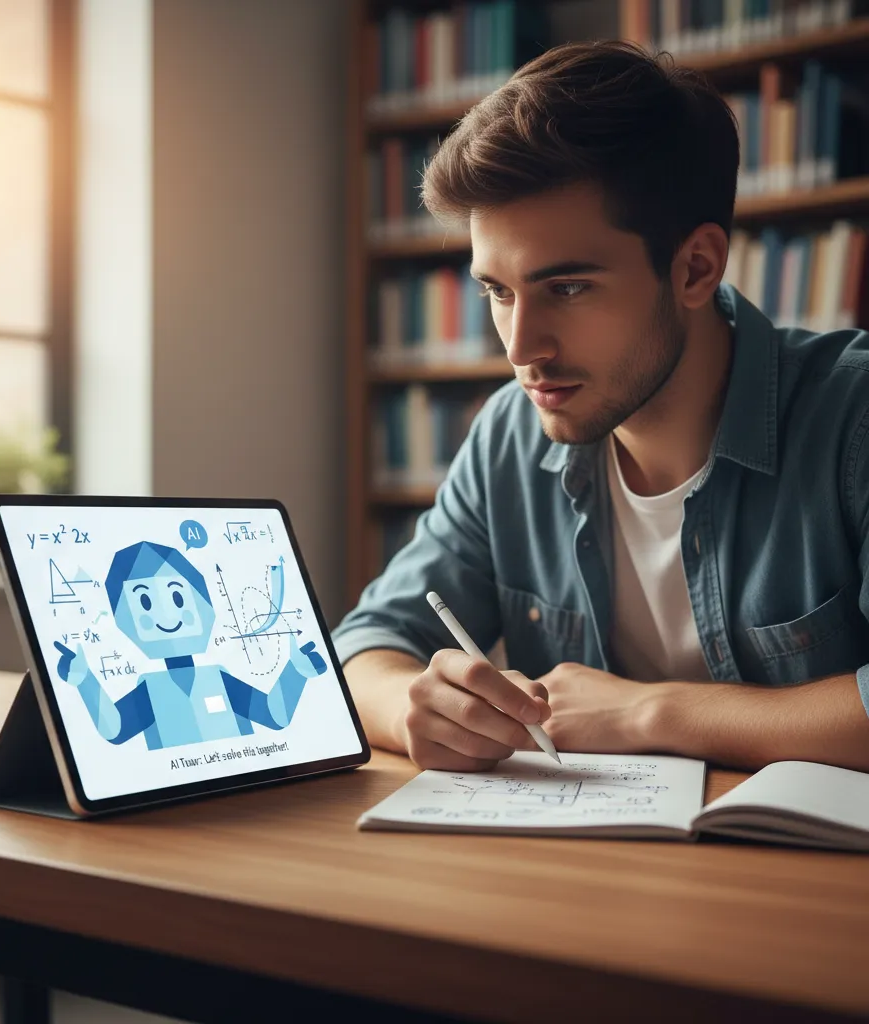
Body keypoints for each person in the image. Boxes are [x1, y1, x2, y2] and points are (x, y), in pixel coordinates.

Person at [332, 40, 869, 774]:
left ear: (695, 268)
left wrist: (651, 712)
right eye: (498, 291)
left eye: (568, 288)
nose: (520, 347)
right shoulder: (509, 435)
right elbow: (363, 647)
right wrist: (414, 707)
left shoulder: (853, 418)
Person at [55, 539, 326, 748]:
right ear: (125, 622)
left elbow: (274, 716)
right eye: (145, 602)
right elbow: (116, 730)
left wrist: (296, 672)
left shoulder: (219, 679)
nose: (167, 616)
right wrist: (84, 680)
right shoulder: (151, 691)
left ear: (204, 605)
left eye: (178, 597)